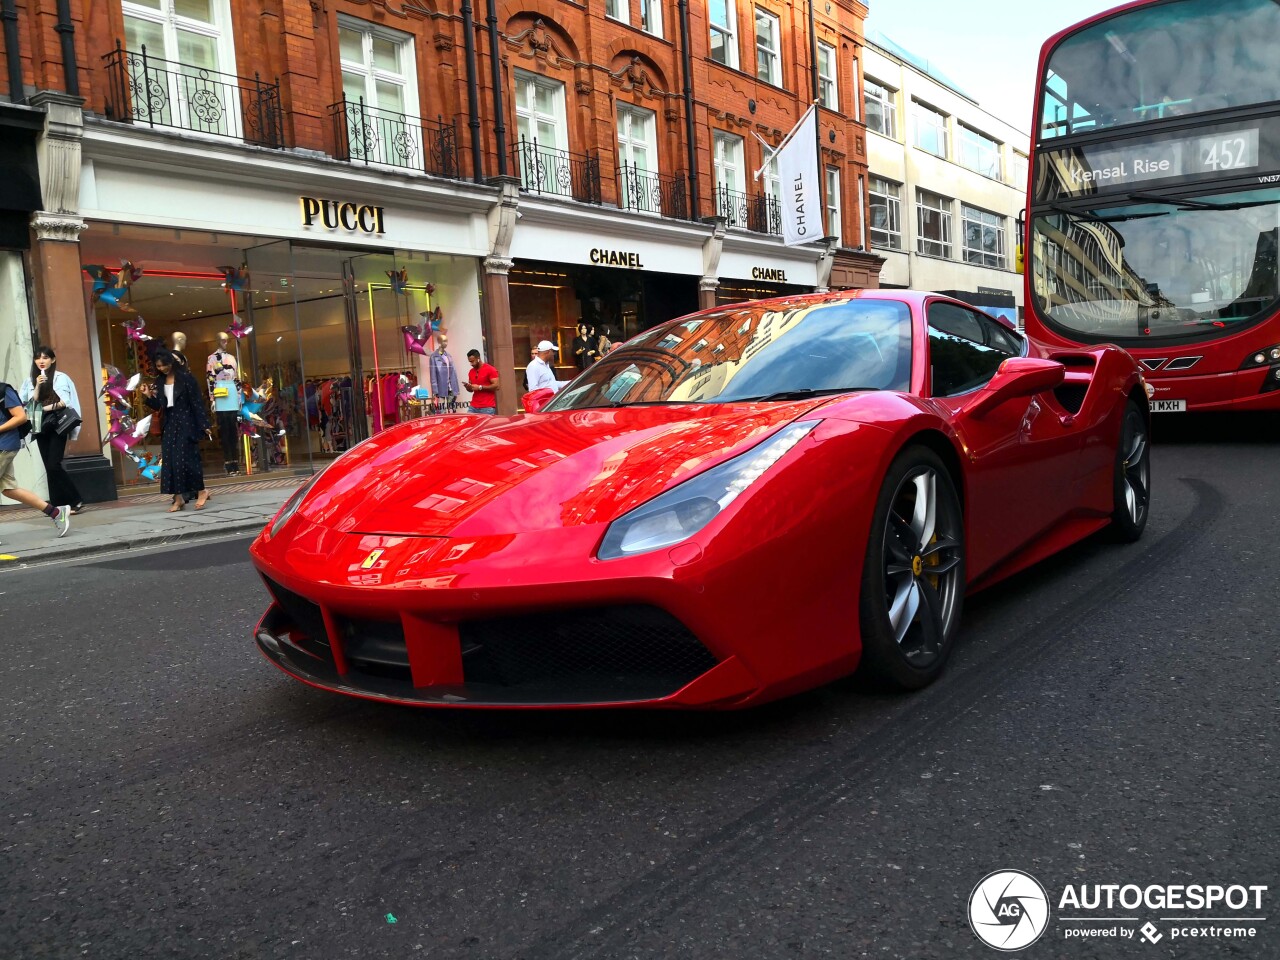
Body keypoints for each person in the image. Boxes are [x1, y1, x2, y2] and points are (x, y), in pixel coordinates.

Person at [141, 348, 211, 512]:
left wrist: (204, 424)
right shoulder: (160, 382)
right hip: (170, 424)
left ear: (171, 363)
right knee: (171, 462)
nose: (162, 369)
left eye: (164, 365)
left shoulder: (187, 379)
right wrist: (148, 396)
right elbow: (160, 406)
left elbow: (197, 403)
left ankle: (202, 491)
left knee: (188, 459)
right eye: (158, 366)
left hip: (186, 422)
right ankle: (178, 498)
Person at [0, 379, 70, 537]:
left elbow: (21, 417)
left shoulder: (4, 390)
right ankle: (56, 513)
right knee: (9, 489)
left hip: (3, 445)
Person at [19, 346, 84, 515]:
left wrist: (42, 409)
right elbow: (27, 404)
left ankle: (75, 499)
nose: (41, 361)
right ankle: (58, 503)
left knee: (54, 464)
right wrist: (38, 387)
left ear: (52, 360)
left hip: (57, 424)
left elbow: (64, 402)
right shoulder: (29, 380)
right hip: (40, 426)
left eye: (45, 358)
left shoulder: (60, 378)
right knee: (48, 466)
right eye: (38, 358)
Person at [206, 331, 242, 475]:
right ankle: (228, 462)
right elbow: (210, 379)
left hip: (231, 391)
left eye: (227, 340)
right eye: (223, 340)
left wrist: (239, 397)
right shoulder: (211, 359)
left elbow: (237, 378)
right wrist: (212, 398)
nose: (225, 343)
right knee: (224, 429)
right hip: (220, 390)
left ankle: (235, 461)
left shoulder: (232, 358)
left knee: (233, 429)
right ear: (217, 341)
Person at [429, 332, 460, 410]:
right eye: (444, 341)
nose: (446, 343)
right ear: (439, 342)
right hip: (441, 388)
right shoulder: (434, 357)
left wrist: (456, 387)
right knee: (442, 411)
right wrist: (435, 391)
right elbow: (433, 375)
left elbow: (453, 372)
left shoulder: (448, 356)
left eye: (447, 341)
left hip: (451, 387)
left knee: (452, 410)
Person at [463, 349, 500, 414]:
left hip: (487, 407)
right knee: (468, 422)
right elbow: (471, 389)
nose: (471, 364)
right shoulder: (471, 372)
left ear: (478, 358)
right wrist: (468, 387)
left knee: (485, 424)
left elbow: (497, 386)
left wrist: (480, 387)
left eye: (472, 361)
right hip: (473, 406)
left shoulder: (490, 369)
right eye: (470, 362)